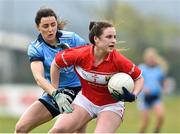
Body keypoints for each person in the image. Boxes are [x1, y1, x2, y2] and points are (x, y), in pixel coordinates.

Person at [48, 21, 144, 133]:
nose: (113, 40)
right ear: (96, 39)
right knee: (56, 131)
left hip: (111, 105)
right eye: (108, 37)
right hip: (85, 100)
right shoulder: (80, 54)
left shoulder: (119, 60)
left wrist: (134, 95)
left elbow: (139, 78)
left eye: (114, 37)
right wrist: (55, 91)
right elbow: (55, 64)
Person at [15, 7, 88, 133]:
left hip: (80, 91)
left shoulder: (71, 38)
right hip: (56, 92)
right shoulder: (36, 47)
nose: (50, 29)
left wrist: (72, 52)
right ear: (38, 27)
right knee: (20, 128)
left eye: (53, 25)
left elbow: (91, 57)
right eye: (45, 26)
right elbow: (39, 78)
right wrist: (55, 94)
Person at [137, 48, 168, 133]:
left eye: (152, 57)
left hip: (155, 96)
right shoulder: (142, 68)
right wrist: (144, 88)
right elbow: (137, 81)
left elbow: (162, 81)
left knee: (161, 116)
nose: (151, 59)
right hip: (144, 98)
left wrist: (165, 86)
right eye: (149, 57)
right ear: (146, 58)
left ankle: (156, 132)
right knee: (145, 122)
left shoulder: (159, 69)